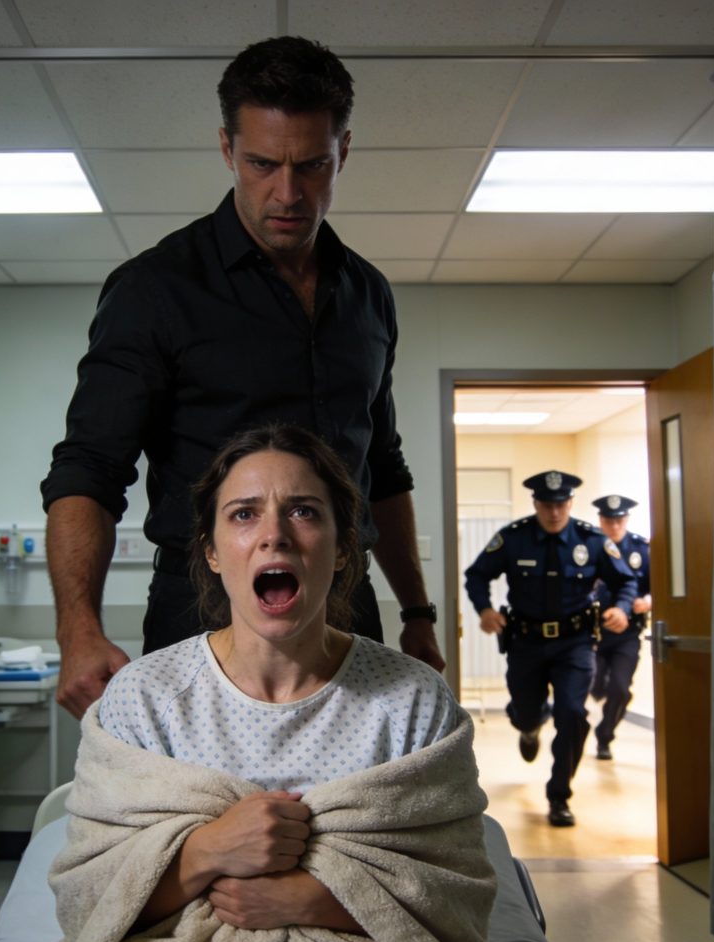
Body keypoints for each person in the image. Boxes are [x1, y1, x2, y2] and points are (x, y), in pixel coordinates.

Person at [0, 426, 613, 942]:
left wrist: (319, 899)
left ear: (342, 550)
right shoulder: (145, 699)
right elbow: (88, 898)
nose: (274, 535)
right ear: (213, 552)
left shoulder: (412, 702)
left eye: (304, 511)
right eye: (243, 514)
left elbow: (458, 894)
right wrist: (204, 852)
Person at [40, 36, 442, 720]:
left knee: (363, 787)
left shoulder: (368, 295)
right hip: (203, 608)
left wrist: (417, 613)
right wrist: (77, 631)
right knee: (204, 792)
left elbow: (383, 466)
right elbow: (89, 468)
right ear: (227, 149)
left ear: (343, 151)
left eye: (312, 165)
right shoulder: (155, 289)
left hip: (346, 605)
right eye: (262, 164)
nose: (287, 192)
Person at [463, 471, 637, 828]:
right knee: (526, 711)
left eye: (560, 505)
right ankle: (530, 726)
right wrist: (485, 610)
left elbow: (625, 581)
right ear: (536, 503)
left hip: (576, 644)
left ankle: (559, 796)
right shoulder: (514, 538)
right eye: (546, 505)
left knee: (573, 714)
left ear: (570, 503)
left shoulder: (592, 540)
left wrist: (622, 607)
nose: (554, 512)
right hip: (526, 643)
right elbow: (476, 575)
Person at [588, 495, 651, 761]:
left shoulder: (641, 550)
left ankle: (605, 736)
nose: (614, 526)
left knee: (620, 689)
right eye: (609, 521)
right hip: (594, 633)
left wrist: (648, 602)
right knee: (593, 685)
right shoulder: (589, 547)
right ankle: (597, 687)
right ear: (601, 521)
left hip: (627, 634)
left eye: (619, 521)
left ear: (626, 520)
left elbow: (657, 586)